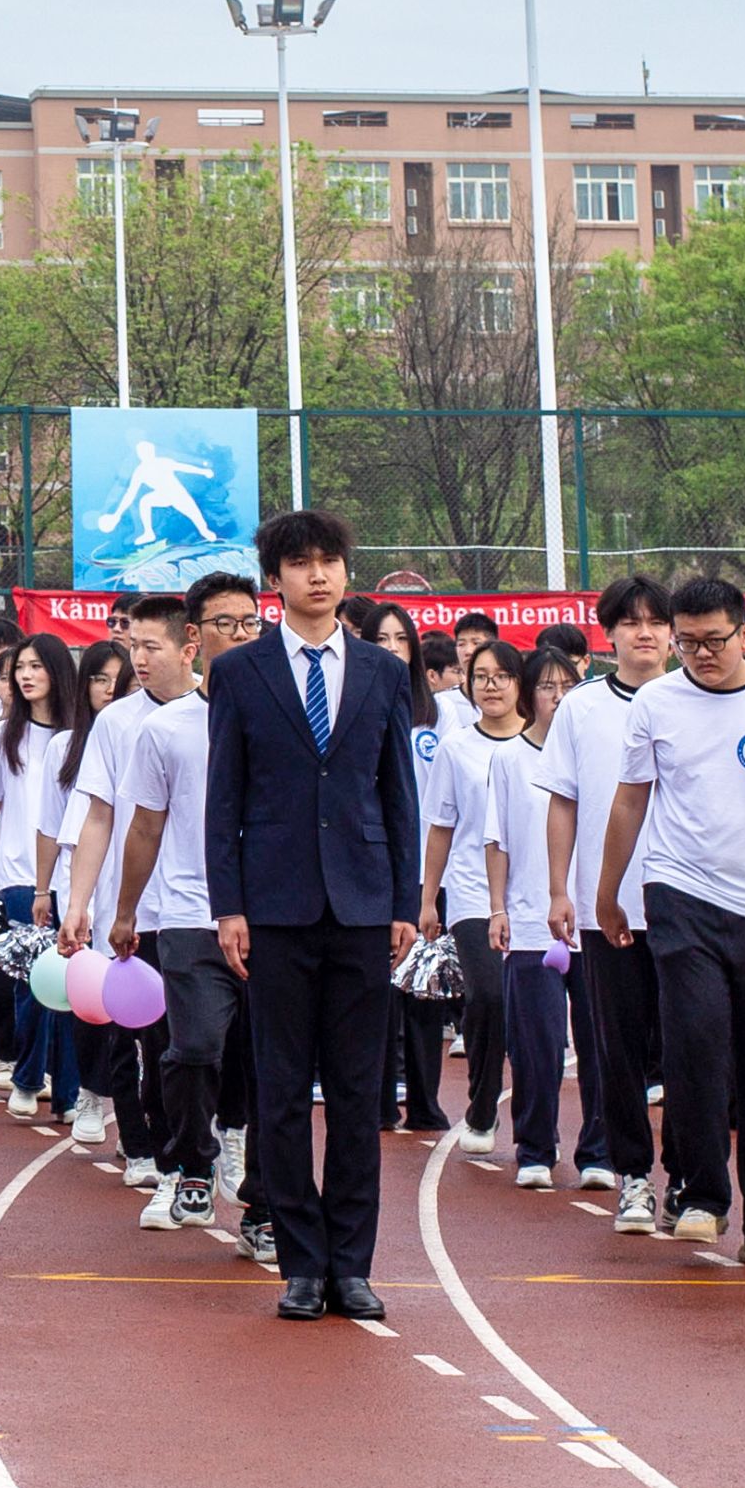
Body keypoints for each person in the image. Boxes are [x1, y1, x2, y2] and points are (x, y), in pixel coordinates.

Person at [201, 508, 422, 1323]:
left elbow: (398, 793)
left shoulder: (382, 672)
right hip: (275, 907)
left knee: (360, 1093)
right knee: (283, 1090)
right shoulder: (239, 672)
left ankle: (352, 1265)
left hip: (364, 905)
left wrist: (405, 902)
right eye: (300, 563)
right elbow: (223, 799)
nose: (317, 575)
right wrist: (229, 904)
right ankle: (300, 1263)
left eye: (329, 560)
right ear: (276, 579)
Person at [591, 575, 745, 1272]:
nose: (701, 654)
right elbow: (629, 802)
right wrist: (608, 894)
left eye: (715, 641)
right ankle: (700, 1195)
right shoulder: (657, 703)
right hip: (681, 894)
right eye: (689, 642)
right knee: (695, 1042)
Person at [540, 575, 671, 1214]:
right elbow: (563, 801)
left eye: (656, 622)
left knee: (689, 1049)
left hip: (687, 905)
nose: (644, 633)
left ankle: (690, 1179)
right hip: (607, 907)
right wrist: (560, 890)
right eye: (631, 622)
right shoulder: (582, 707)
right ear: (609, 633)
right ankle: (634, 1178)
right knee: (616, 1050)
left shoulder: (693, 699)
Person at [111, 617, 240, 1235]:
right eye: (224, 623)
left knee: (264, 1060)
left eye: (249, 622)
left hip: (275, 914)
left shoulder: (285, 719)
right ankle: (194, 1162)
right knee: (192, 1049)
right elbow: (144, 825)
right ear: (198, 638)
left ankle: (259, 1196)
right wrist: (125, 911)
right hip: (189, 912)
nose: (238, 634)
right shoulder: (164, 728)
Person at [55, 597, 185, 1187]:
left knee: (186, 1044)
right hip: (128, 910)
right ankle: (141, 1148)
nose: (138, 658)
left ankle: (200, 1147)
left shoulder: (217, 711)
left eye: (150, 646)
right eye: (133, 646)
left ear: (187, 647)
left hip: (198, 908)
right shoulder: (115, 723)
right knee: (131, 1034)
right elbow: (98, 816)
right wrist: (78, 903)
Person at [0, 629, 88, 1123]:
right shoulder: (2, 736)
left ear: (57, 672)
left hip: (75, 877)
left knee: (73, 985)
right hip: (18, 874)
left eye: (36, 666)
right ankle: (29, 1077)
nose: (26, 676)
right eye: (20, 668)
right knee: (35, 982)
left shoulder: (82, 735)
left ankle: (69, 1093)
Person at [417, 633, 531, 1154]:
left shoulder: (542, 745)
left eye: (501, 677)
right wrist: (428, 899)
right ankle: (483, 1108)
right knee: (486, 996)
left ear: (519, 683)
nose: (491, 687)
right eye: (480, 677)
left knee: (529, 1008)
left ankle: (535, 1120)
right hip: (471, 892)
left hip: (531, 892)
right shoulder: (456, 747)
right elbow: (441, 826)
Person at [480, 643, 583, 1188]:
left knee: (600, 1046)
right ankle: (536, 1148)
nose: (558, 697)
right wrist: (498, 908)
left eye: (568, 687)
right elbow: (496, 840)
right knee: (537, 1045)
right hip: (528, 921)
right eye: (547, 687)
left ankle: (599, 1151)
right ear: (528, 694)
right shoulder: (509, 759)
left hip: (592, 921)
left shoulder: (595, 753)